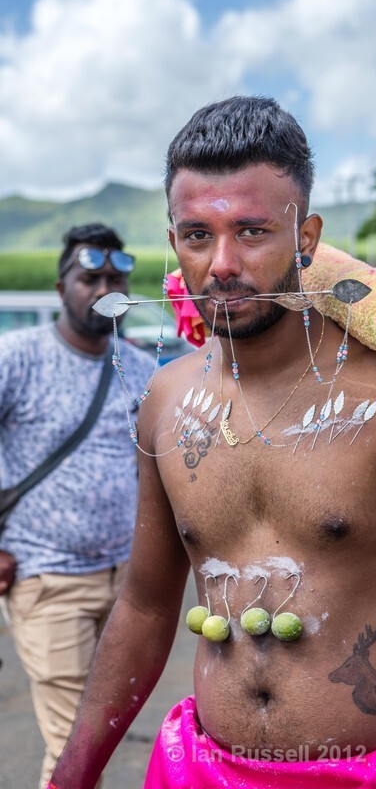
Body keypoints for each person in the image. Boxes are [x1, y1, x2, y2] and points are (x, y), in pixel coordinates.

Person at [50, 99, 376, 789]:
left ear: (306, 237)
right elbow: (147, 604)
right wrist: (72, 775)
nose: (220, 263)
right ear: (171, 240)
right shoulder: (167, 398)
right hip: (203, 769)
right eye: (195, 235)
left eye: (250, 232)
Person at [0, 223, 156, 789]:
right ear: (62, 286)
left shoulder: (141, 367)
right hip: (48, 582)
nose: (104, 287)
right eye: (90, 277)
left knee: (103, 739)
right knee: (75, 749)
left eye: (115, 277)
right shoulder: (15, 358)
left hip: (130, 590)